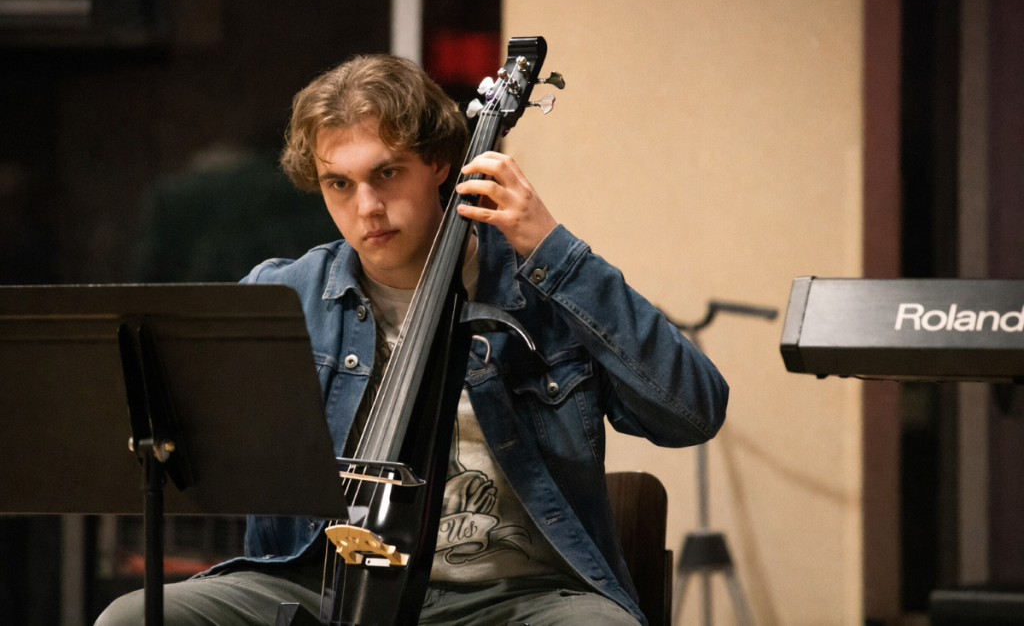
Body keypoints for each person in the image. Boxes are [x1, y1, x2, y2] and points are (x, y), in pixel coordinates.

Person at [97, 55, 728, 626]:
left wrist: (557, 253)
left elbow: (693, 413)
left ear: (439, 164)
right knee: (132, 619)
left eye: (387, 172)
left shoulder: (546, 286)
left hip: (519, 599)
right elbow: (186, 456)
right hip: (322, 586)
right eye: (338, 183)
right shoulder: (281, 297)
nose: (366, 206)